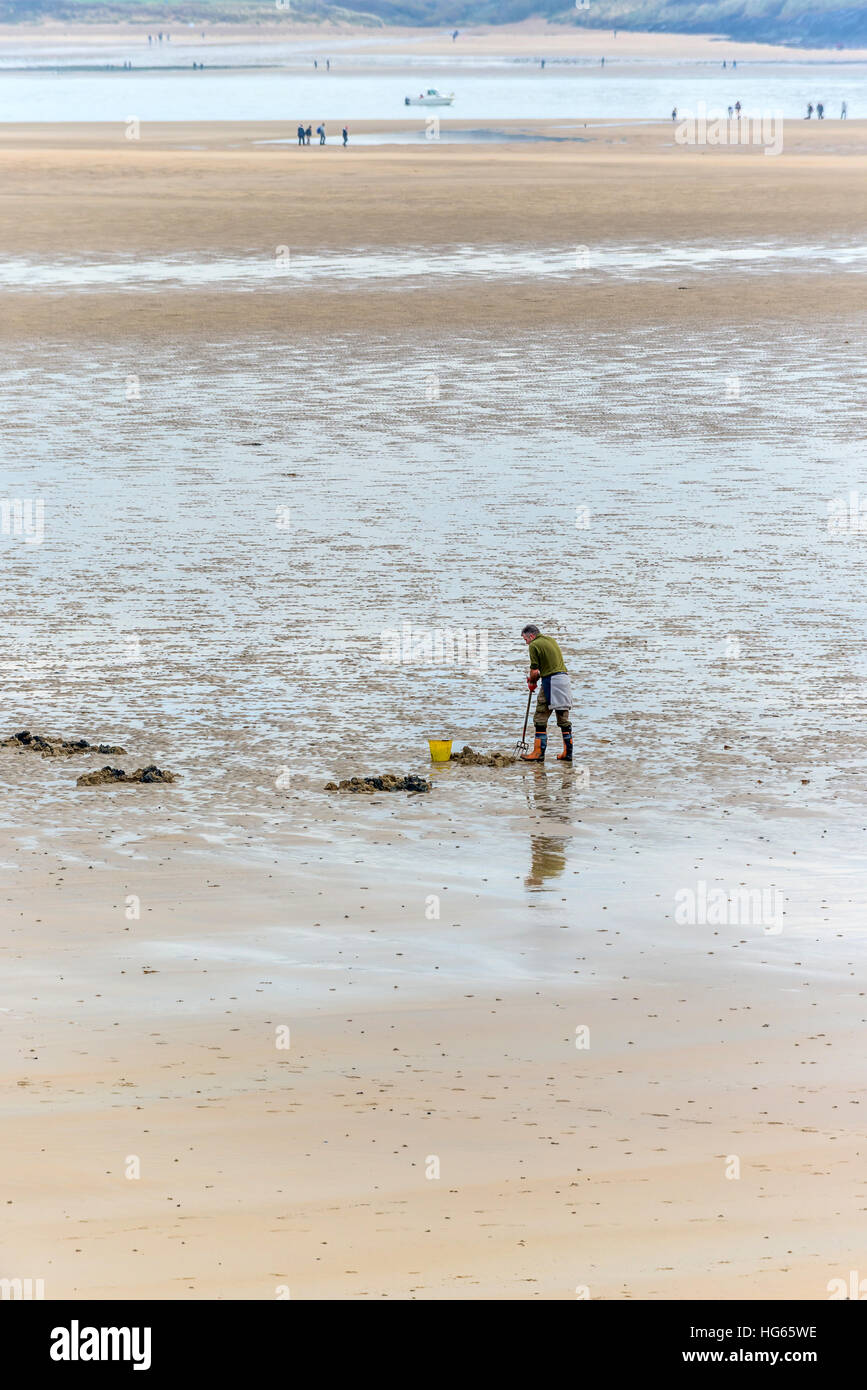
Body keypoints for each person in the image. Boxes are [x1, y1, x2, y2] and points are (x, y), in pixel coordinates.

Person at [519, 623, 574, 763]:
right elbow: (547, 666)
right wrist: (535, 678)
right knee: (563, 719)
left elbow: (534, 671)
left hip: (551, 682)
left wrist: (532, 681)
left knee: (540, 717)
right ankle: (568, 753)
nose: (526, 643)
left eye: (525, 640)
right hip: (564, 680)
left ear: (531, 636)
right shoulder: (550, 640)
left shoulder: (534, 645)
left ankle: (538, 752)